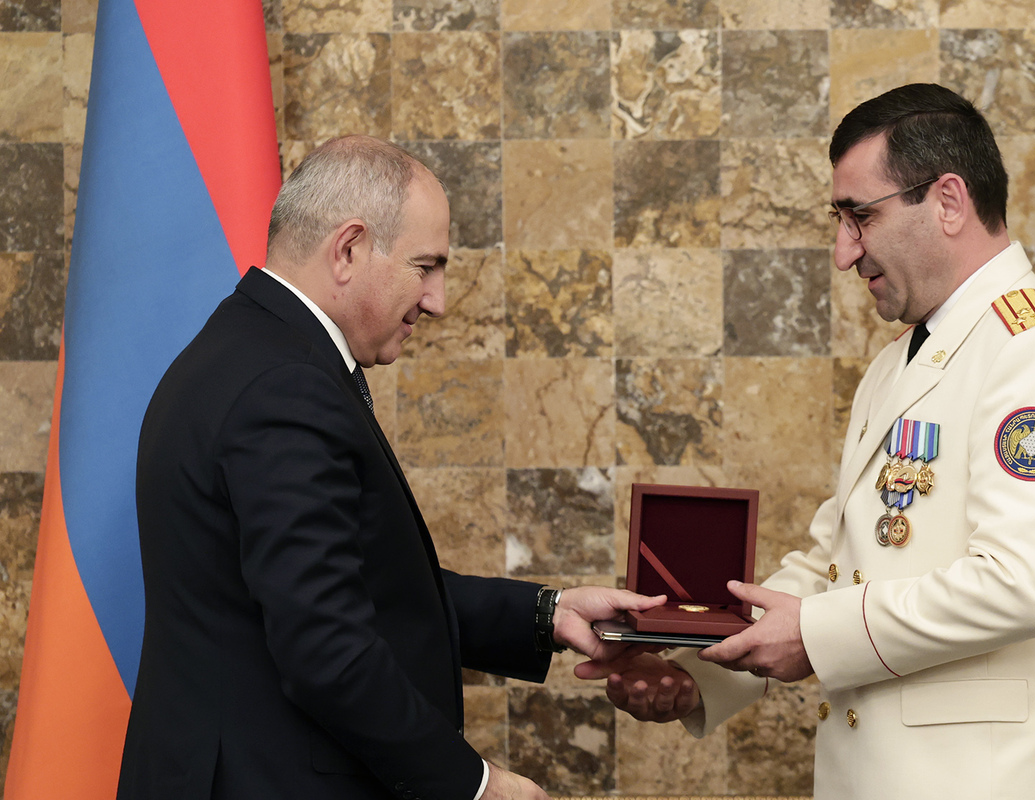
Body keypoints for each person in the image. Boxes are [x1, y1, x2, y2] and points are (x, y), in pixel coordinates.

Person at [580, 84, 1035, 799]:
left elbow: (1020, 585)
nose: (845, 253)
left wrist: (814, 636)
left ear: (949, 201)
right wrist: (698, 672)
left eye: (860, 217)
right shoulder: (901, 361)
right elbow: (838, 561)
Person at [116, 135, 666, 800]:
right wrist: (476, 787)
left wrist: (548, 613)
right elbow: (326, 647)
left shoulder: (244, 349)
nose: (437, 301)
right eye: (425, 266)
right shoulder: (284, 388)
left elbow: (359, 587)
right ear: (348, 250)